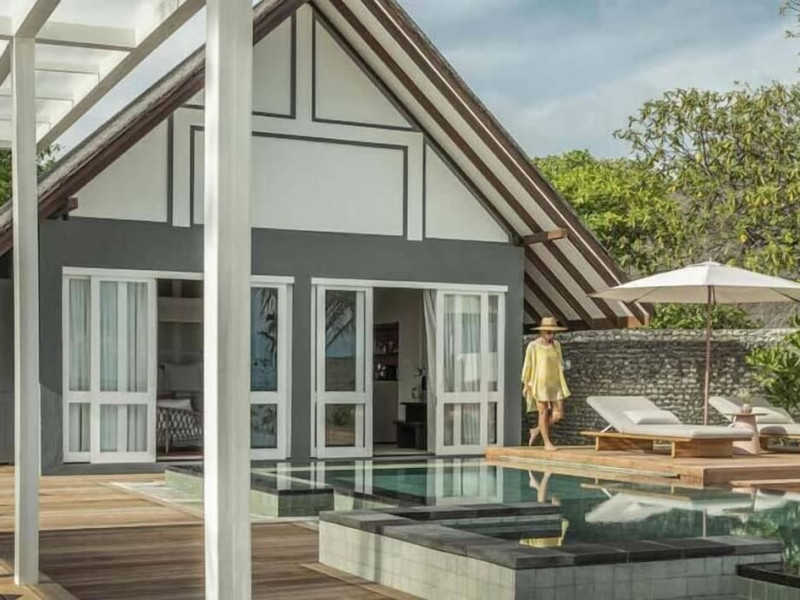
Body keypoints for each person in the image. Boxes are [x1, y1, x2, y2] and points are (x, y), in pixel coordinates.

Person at [521, 316, 570, 451]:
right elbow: (528, 365)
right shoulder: (533, 346)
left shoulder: (556, 345)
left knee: (558, 414)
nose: (551, 335)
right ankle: (547, 443)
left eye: (553, 332)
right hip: (540, 383)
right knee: (543, 412)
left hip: (555, 383)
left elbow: (559, 364)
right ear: (541, 331)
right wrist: (526, 384)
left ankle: (536, 430)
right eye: (548, 332)